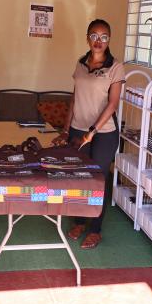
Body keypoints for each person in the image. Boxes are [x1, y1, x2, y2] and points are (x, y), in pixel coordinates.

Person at [51, 18, 125, 249]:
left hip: (104, 133)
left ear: (109, 40)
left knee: (97, 180)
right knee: (78, 178)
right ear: (88, 38)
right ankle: (80, 221)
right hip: (77, 129)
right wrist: (65, 129)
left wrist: (92, 131)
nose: (99, 41)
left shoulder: (116, 67)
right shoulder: (81, 64)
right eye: (94, 35)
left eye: (104, 37)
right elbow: (75, 97)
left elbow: (112, 104)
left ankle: (95, 229)